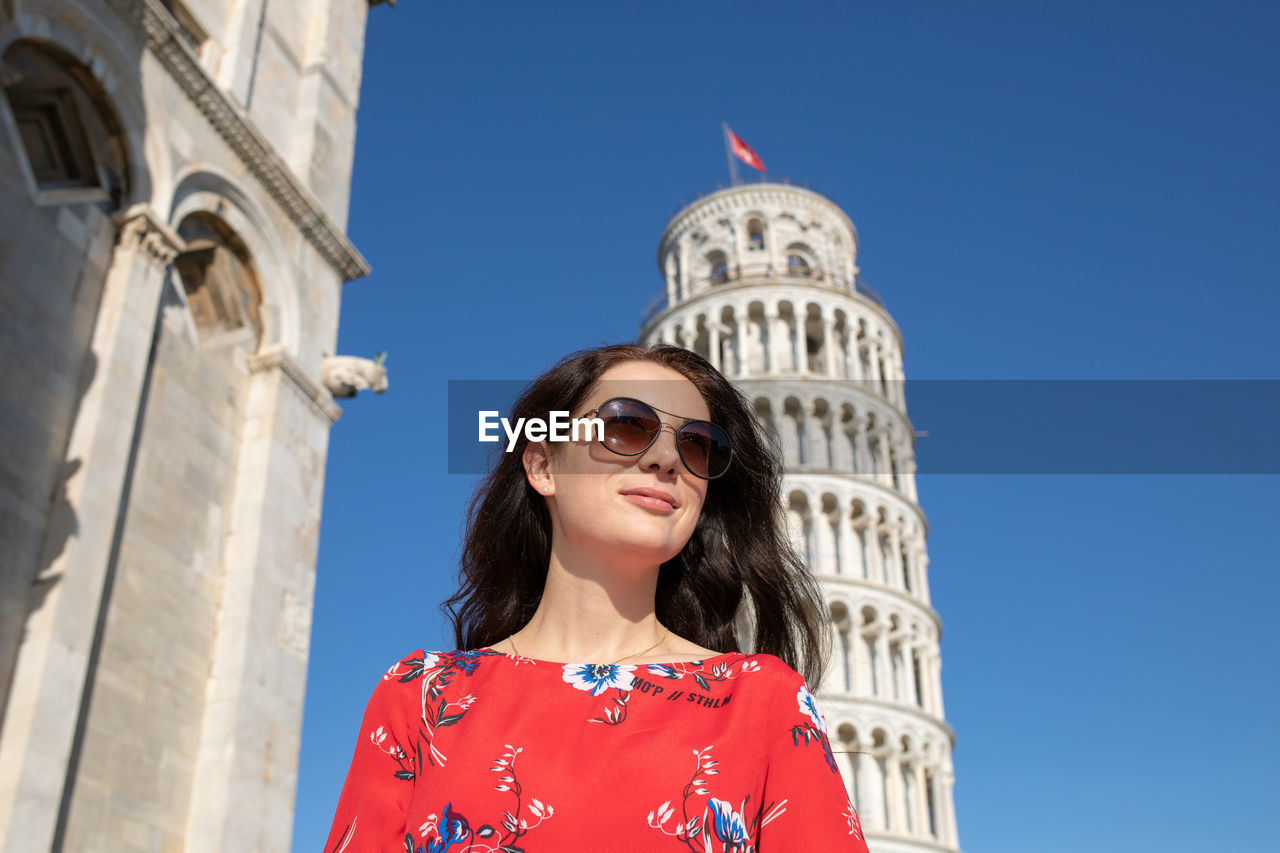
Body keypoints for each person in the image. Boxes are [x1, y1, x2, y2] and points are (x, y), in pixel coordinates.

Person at [323, 343, 870, 852]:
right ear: (542, 465)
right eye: (628, 427)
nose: (666, 459)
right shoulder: (421, 697)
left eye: (698, 444)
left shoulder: (760, 702)